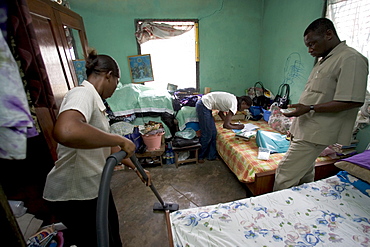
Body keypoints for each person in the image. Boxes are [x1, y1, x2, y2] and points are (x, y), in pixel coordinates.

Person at [43, 48, 151, 247]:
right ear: (108, 76)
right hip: (74, 194)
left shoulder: (95, 101)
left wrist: (136, 167)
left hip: (94, 186)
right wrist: (118, 138)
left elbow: (106, 149)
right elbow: (66, 130)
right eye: (116, 83)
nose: (115, 89)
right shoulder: (82, 93)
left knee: (112, 237)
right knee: (99, 241)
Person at [273, 18, 368, 191]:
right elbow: (318, 95)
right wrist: (302, 108)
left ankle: (279, 213)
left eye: (312, 44)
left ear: (329, 34)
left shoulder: (351, 59)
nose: (310, 49)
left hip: (316, 132)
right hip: (306, 126)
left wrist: (309, 108)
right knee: (304, 173)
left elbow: (352, 100)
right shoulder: (325, 60)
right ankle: (304, 207)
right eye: (307, 46)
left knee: (285, 173)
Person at [196, 92, 252, 163]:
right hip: (203, 105)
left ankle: (211, 156)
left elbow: (220, 113)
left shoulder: (233, 99)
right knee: (207, 134)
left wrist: (231, 124)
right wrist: (238, 127)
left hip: (205, 104)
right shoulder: (234, 105)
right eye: (245, 108)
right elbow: (225, 125)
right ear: (243, 103)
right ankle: (200, 156)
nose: (243, 110)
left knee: (213, 133)